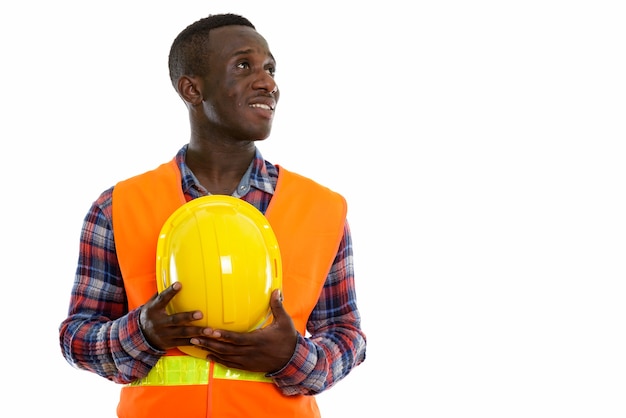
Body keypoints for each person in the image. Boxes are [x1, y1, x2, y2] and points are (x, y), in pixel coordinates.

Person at [58, 12, 367, 418]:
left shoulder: (322, 209)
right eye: (244, 66)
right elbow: (77, 338)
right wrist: (142, 334)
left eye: (270, 68)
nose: (267, 82)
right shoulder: (118, 206)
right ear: (192, 88)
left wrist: (293, 356)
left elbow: (348, 338)